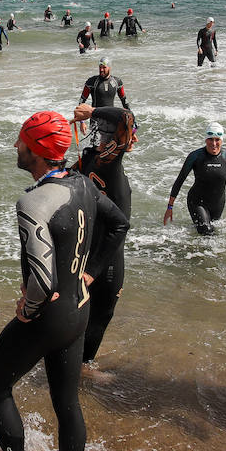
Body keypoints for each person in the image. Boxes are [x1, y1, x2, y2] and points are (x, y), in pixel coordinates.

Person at [0, 111, 129, 451]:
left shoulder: (32, 202)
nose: (16, 146)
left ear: (37, 150)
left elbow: (43, 281)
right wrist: (91, 273)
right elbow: (119, 224)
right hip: (79, 310)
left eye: (21, 141)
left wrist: (27, 310)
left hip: (48, 317)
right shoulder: (83, 183)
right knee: (66, 401)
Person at [71, 102, 136, 368]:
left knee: (77, 319)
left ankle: (70, 366)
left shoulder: (86, 161)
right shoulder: (108, 164)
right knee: (99, 318)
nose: (134, 138)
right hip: (104, 262)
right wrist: (93, 112)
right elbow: (126, 116)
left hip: (82, 253)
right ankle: (82, 369)